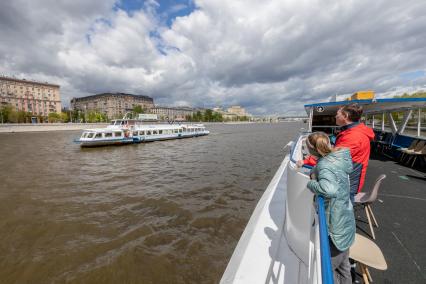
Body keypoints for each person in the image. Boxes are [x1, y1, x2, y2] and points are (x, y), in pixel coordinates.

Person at [305, 132, 355, 284]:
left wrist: (311, 183)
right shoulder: (338, 159)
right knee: (344, 265)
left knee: (330, 267)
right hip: (345, 216)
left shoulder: (324, 165)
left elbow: (329, 190)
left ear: (313, 150)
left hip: (335, 223)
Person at [335, 103, 375, 202]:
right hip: (347, 179)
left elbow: (333, 159)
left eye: (338, 114)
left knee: (340, 216)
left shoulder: (353, 136)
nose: (335, 116)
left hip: (347, 183)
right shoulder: (352, 132)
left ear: (345, 116)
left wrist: (306, 161)